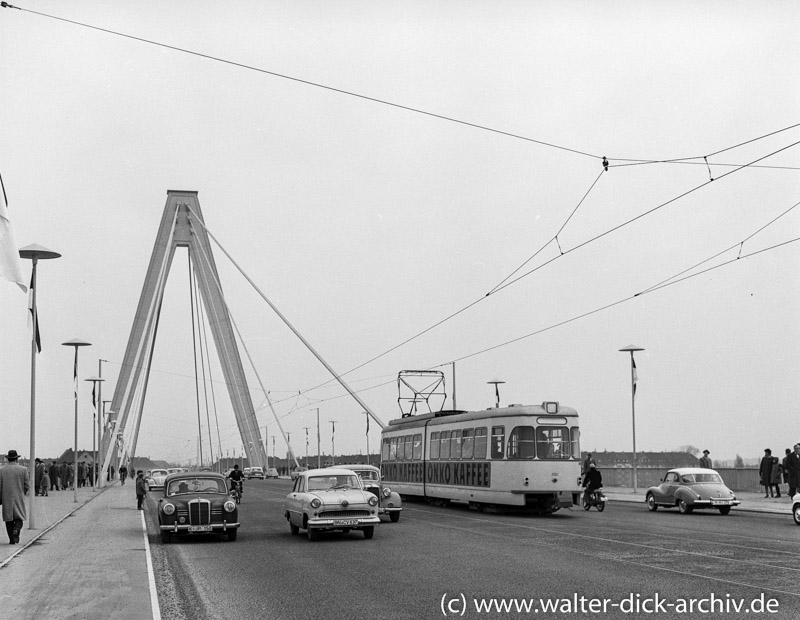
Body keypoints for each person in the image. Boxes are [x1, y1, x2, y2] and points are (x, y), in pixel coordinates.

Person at [0, 449, 30, 544]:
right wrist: (22, 492)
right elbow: (27, 485)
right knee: (19, 516)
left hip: (6, 498)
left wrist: (1, 497)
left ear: (8, 459)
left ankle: (12, 540)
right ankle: (16, 529)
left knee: (8, 519)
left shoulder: (2, 470)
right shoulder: (23, 469)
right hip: (18, 497)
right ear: (16, 459)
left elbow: (0, 485)